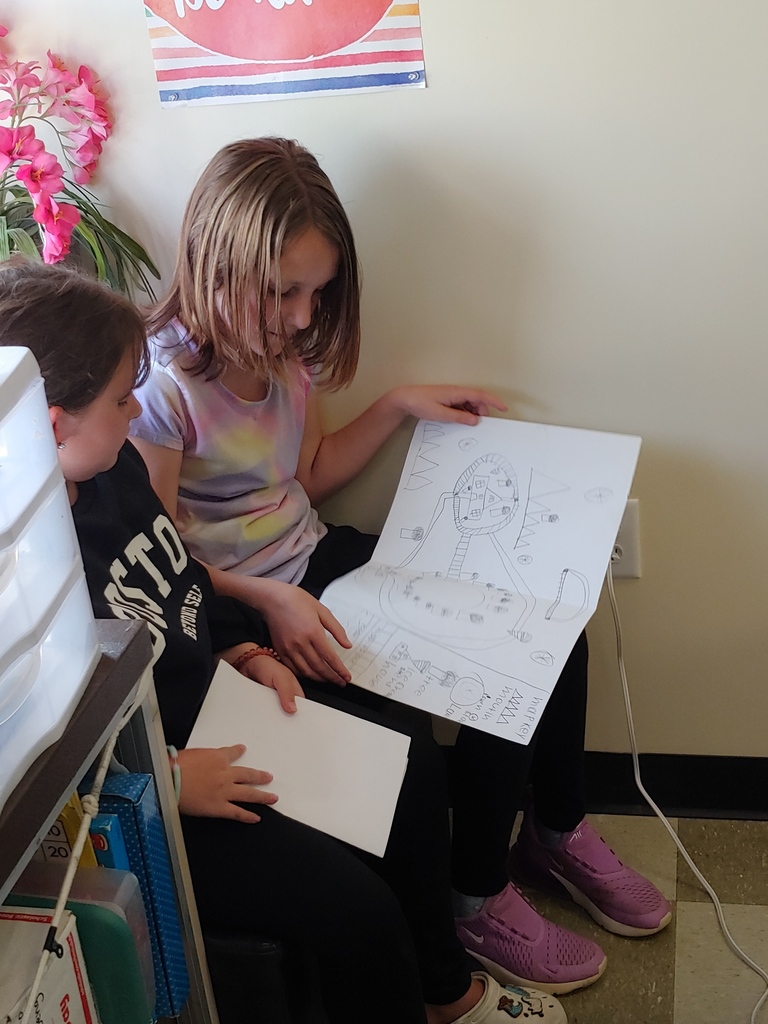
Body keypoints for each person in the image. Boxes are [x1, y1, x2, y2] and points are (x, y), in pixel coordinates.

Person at [129, 137, 671, 991]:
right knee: (425, 726)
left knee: (547, 633)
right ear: (216, 262)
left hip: (317, 559)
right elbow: (163, 568)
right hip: (238, 606)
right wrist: (264, 601)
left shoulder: (288, 352)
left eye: (318, 292)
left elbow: (306, 476)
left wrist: (395, 407)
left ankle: (552, 832)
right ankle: (474, 899)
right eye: (283, 292)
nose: (302, 317)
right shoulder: (159, 389)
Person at [0, 259, 570, 1024]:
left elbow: (181, 585)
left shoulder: (114, 470)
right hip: (157, 788)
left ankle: (445, 993)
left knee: (412, 772)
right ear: (50, 424)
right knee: (359, 911)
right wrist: (172, 781)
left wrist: (244, 652)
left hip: (220, 707)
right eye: (120, 398)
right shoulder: (30, 573)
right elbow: (47, 760)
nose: (136, 410)